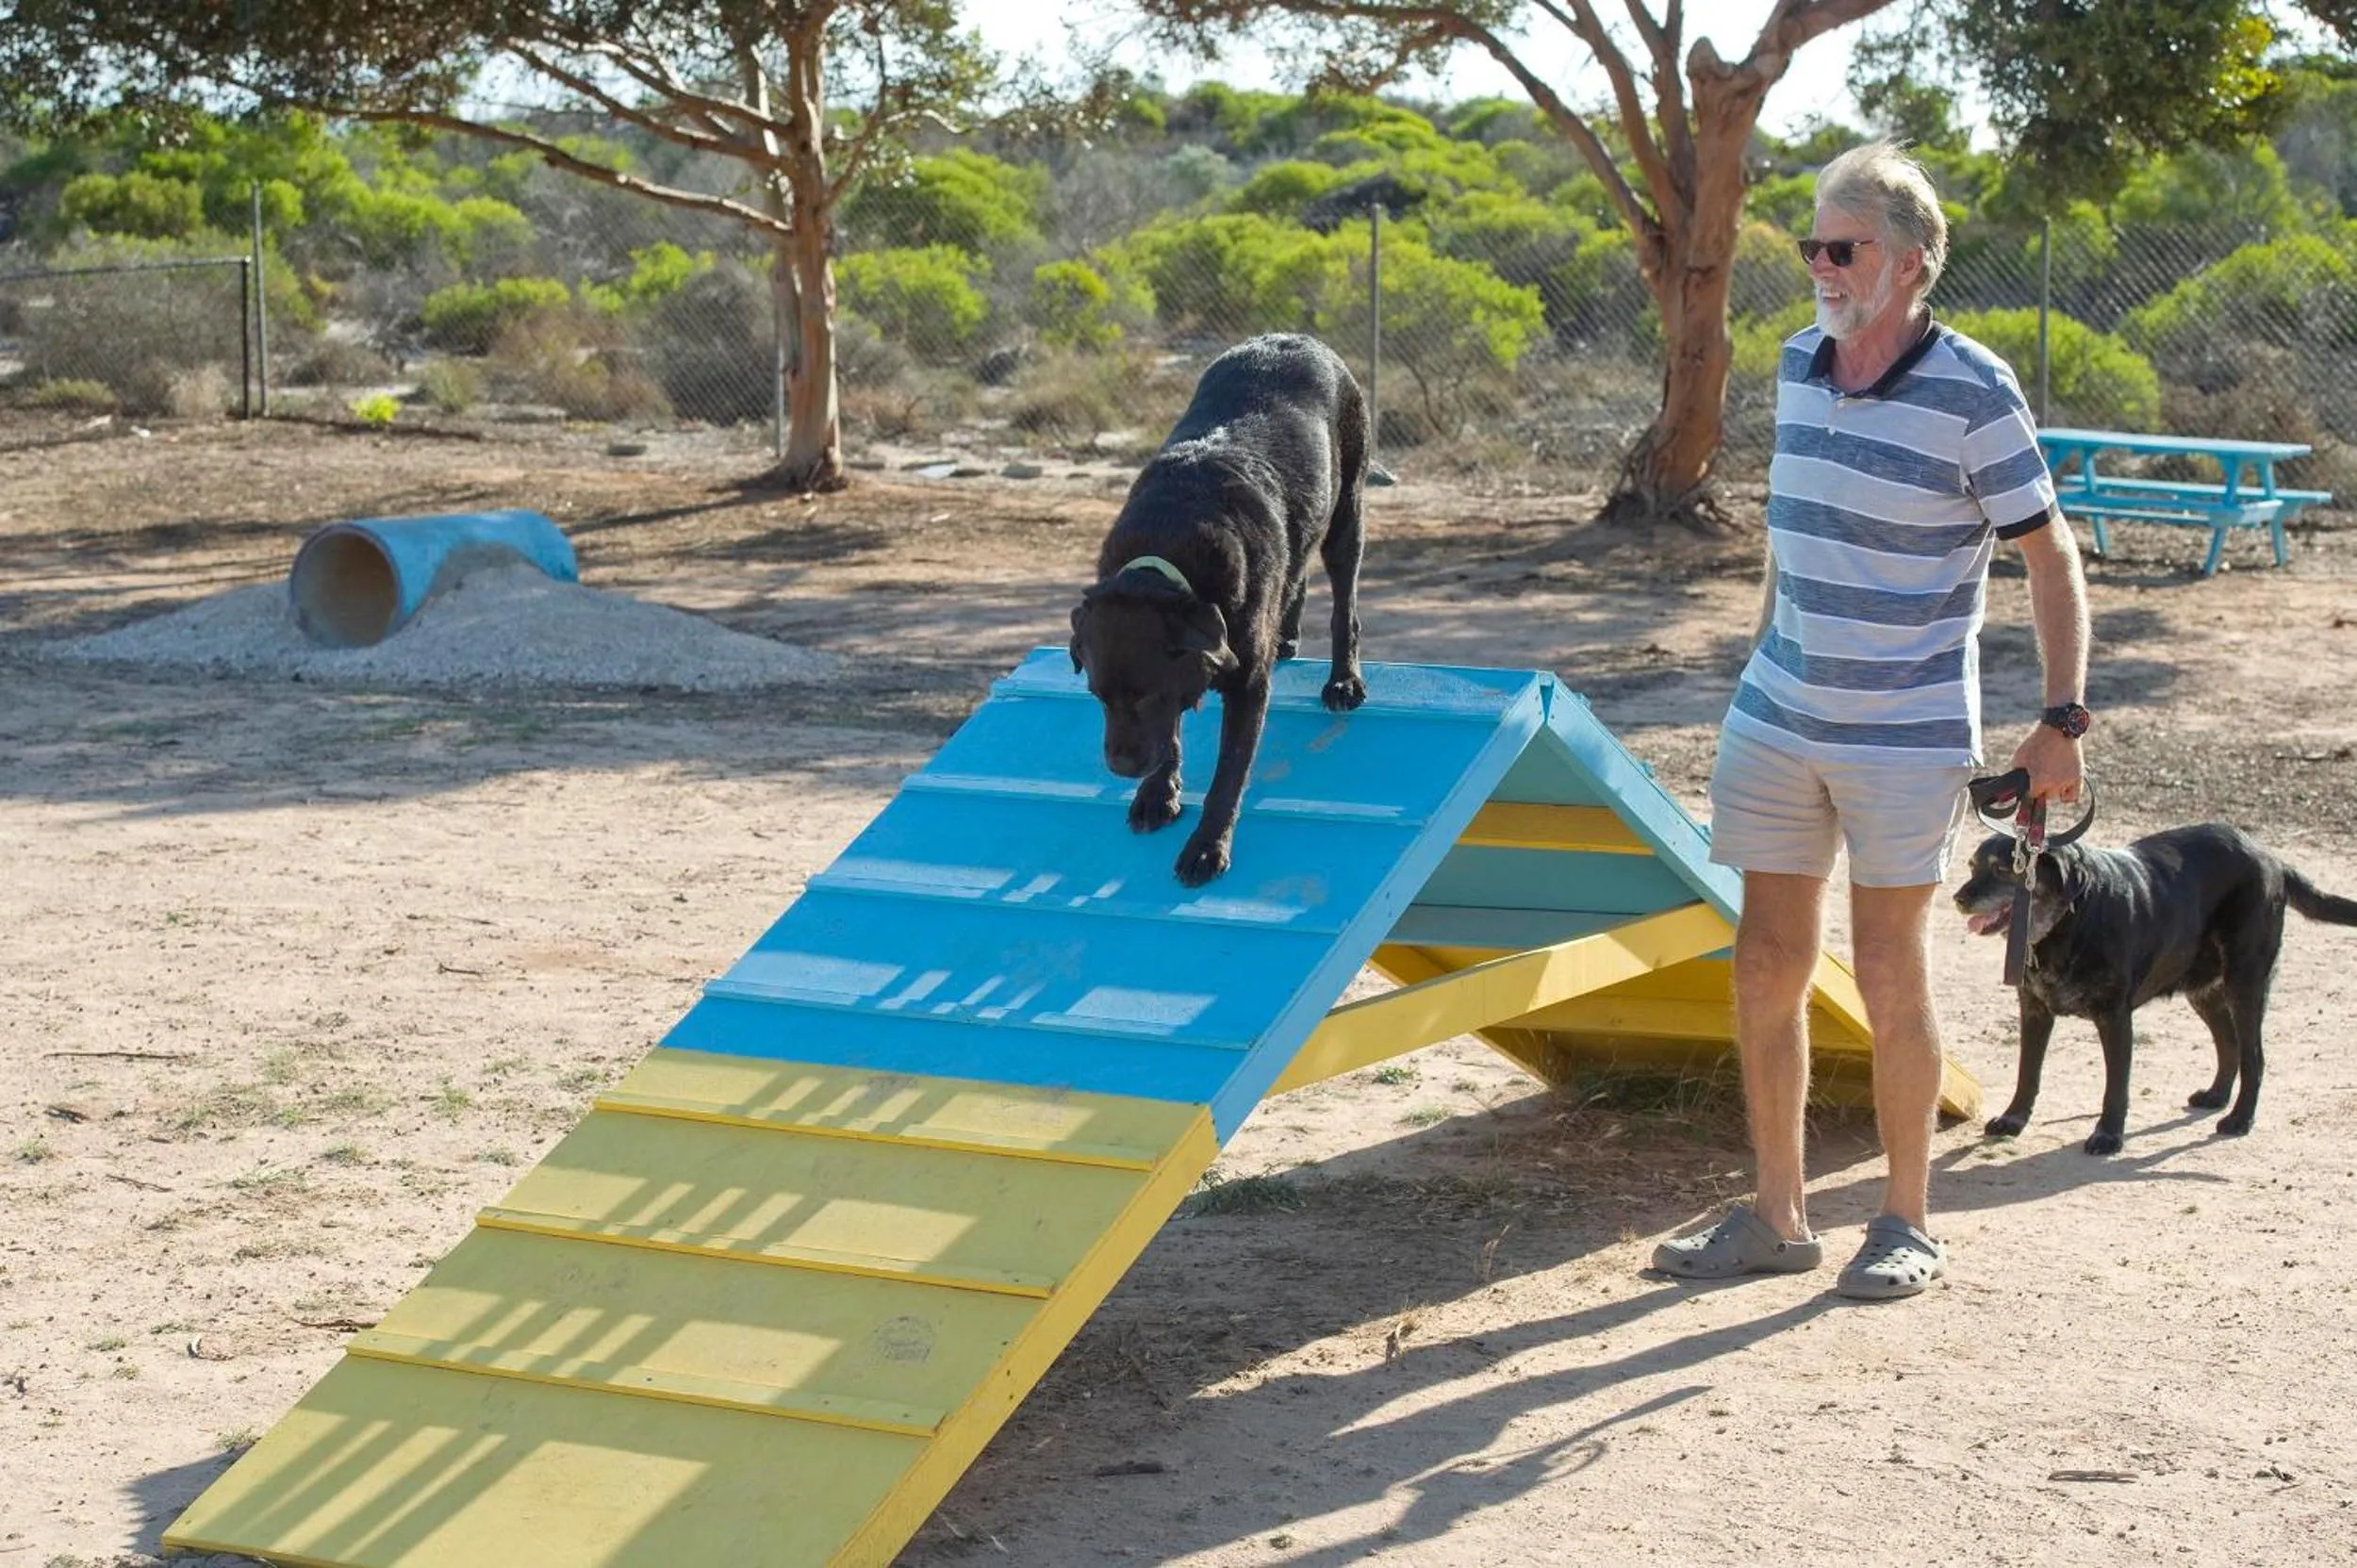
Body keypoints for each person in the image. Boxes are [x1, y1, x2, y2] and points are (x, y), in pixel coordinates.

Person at [1653, 140, 2089, 1300]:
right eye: (1811, 245)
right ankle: (1776, 1216)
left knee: (1890, 966)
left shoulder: (1974, 390)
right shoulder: (1797, 364)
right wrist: (1761, 665)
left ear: (1908, 263)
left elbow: (2050, 556)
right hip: (1778, 713)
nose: (1819, 267)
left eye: (1840, 249)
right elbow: (1796, 540)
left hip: (1904, 732)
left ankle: (1904, 1222)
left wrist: (2060, 720)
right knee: (1764, 960)